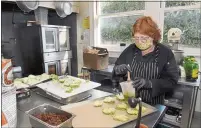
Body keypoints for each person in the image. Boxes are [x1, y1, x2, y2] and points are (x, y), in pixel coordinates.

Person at [113, 16, 179, 105]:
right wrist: (118, 70)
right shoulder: (130, 50)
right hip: (130, 101)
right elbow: (116, 72)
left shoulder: (165, 53)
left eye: (143, 38)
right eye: (136, 38)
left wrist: (149, 83)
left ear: (153, 36)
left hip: (154, 104)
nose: (139, 41)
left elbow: (172, 81)